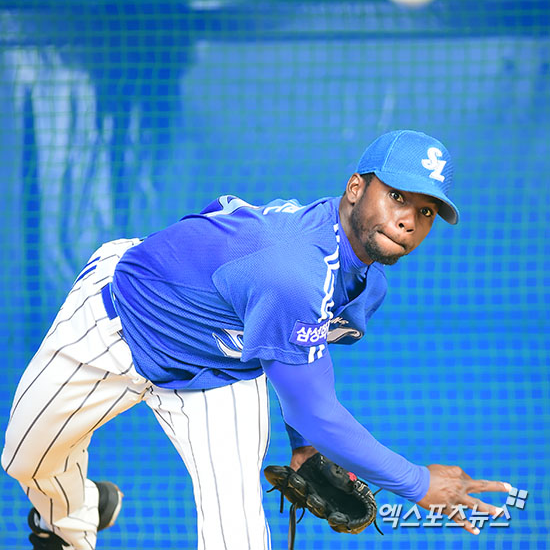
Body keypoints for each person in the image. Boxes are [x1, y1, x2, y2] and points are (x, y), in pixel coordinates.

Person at [3, 129, 511, 550]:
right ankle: (75, 516)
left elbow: (299, 355)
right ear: (355, 187)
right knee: (26, 459)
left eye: (426, 211)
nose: (408, 220)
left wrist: (303, 447)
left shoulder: (363, 282)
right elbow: (315, 407)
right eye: (398, 196)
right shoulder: (294, 267)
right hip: (120, 321)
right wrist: (419, 483)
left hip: (220, 371)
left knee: (237, 534)